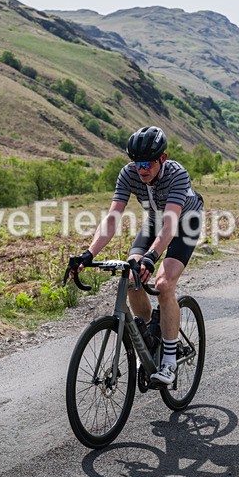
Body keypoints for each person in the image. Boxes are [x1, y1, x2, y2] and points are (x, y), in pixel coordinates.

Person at [67, 126, 203, 386]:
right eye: (136, 163)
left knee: (164, 284)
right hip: (154, 221)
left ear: (162, 159)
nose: (141, 169)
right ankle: (151, 339)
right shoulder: (129, 173)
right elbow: (112, 217)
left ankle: (170, 361)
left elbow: (170, 226)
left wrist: (152, 257)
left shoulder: (177, 175)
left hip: (185, 222)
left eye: (147, 163)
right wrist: (88, 253)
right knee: (131, 277)